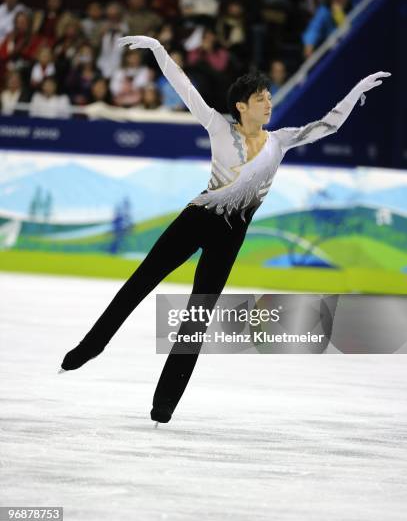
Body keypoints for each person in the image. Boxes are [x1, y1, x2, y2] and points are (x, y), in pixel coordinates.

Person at [60, 33, 390, 425]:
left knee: (197, 314)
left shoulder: (279, 142)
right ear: (241, 105)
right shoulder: (218, 126)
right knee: (140, 281)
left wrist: (355, 92)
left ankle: (165, 401)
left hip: (231, 236)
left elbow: (328, 126)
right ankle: (90, 346)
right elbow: (184, 87)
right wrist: (159, 50)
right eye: (261, 98)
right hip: (196, 220)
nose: (269, 103)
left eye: (269, 96)